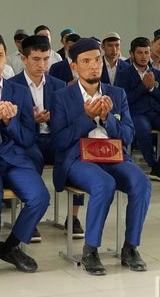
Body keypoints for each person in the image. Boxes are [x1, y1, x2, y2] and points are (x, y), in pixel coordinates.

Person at [50, 38, 151, 275]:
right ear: (74, 66)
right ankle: (90, 250)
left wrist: (107, 119)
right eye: (86, 61)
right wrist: (87, 118)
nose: (93, 66)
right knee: (103, 183)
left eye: (97, 60)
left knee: (142, 182)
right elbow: (60, 141)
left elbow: (128, 135)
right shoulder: (62, 96)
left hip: (113, 155)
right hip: (79, 158)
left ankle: (130, 247)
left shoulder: (117, 93)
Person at [11, 35, 84, 239]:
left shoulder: (58, 85)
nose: (42, 65)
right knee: (32, 158)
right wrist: (31, 120)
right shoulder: (12, 85)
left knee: (76, 155)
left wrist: (53, 118)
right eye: (36, 59)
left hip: (53, 138)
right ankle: (31, 217)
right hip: (27, 140)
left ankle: (73, 216)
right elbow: (9, 125)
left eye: (45, 59)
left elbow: (68, 120)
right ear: (24, 59)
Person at [0, 36, 50, 273]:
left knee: (40, 197)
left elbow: (29, 138)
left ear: (5, 58)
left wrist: (9, 122)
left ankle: (10, 246)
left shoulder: (18, 91)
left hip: (13, 157)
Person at [120, 37, 160, 181]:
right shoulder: (124, 73)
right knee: (143, 130)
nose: (143, 56)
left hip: (157, 113)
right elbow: (124, 100)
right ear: (132, 54)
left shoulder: (157, 73)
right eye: (139, 53)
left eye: (146, 52)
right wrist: (143, 87)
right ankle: (153, 164)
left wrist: (152, 88)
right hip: (137, 114)